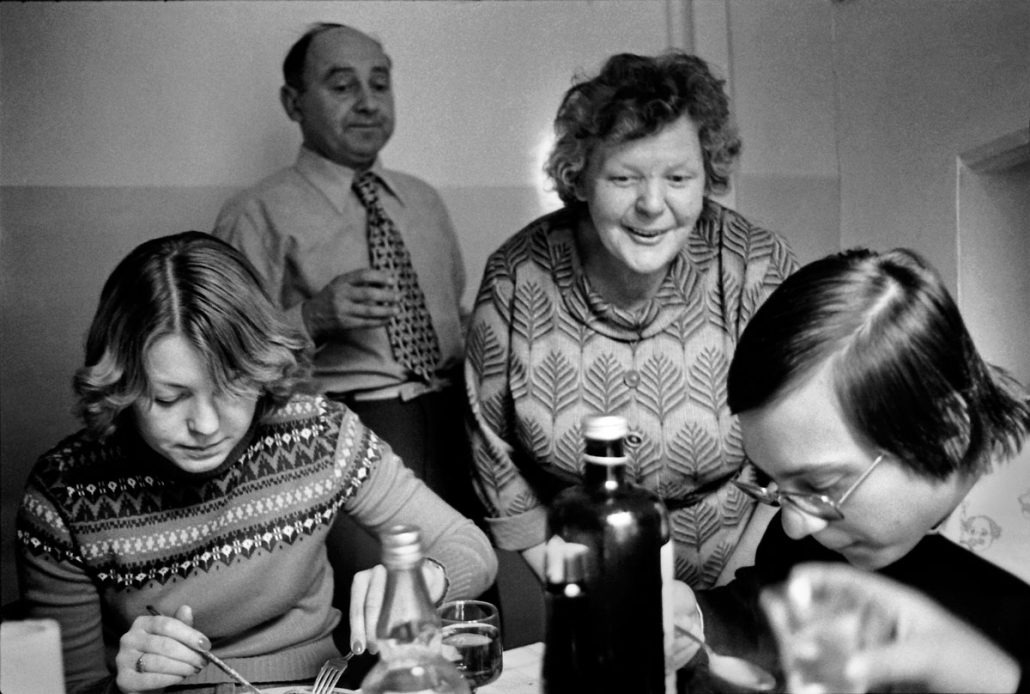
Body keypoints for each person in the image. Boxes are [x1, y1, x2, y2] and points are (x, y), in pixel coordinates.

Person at [14, 232, 497, 694]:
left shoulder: (317, 432)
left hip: (321, 683)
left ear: (261, 371)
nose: (204, 425)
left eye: (229, 387)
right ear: (122, 387)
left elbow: (469, 546)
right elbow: (68, 687)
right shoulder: (64, 492)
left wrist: (423, 578)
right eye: (168, 398)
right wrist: (122, 687)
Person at [465, 51, 797, 592]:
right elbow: (496, 461)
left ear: (707, 174)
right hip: (574, 575)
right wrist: (577, 591)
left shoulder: (757, 266)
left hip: (746, 568)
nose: (651, 204)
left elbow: (795, 447)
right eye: (623, 177)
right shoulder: (514, 277)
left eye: (678, 177)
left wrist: (726, 599)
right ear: (581, 177)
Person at [212, 22, 483, 605]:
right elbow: (223, 356)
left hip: (452, 421)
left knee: (467, 600)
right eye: (342, 85)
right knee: (383, 616)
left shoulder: (423, 200)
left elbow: (455, 315)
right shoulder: (257, 213)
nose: (367, 102)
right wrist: (311, 317)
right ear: (294, 103)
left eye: (379, 84)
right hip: (348, 434)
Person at [677, 248, 1030, 690]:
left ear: (947, 431)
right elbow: (765, 614)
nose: (794, 526)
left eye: (819, 484)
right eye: (773, 484)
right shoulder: (815, 527)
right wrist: (694, 619)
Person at [779, 563, 1024, 693]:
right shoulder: (790, 549)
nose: (794, 528)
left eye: (821, 485)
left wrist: (1000, 683)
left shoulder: (1011, 612)